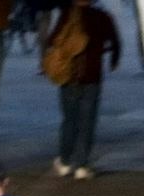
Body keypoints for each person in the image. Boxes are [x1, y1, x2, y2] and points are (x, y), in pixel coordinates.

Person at [44, 0, 120, 175]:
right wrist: (113, 59)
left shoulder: (67, 16)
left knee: (69, 120)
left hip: (69, 75)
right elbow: (115, 42)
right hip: (92, 76)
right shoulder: (102, 17)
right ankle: (82, 165)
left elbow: (52, 40)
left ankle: (64, 161)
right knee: (88, 121)